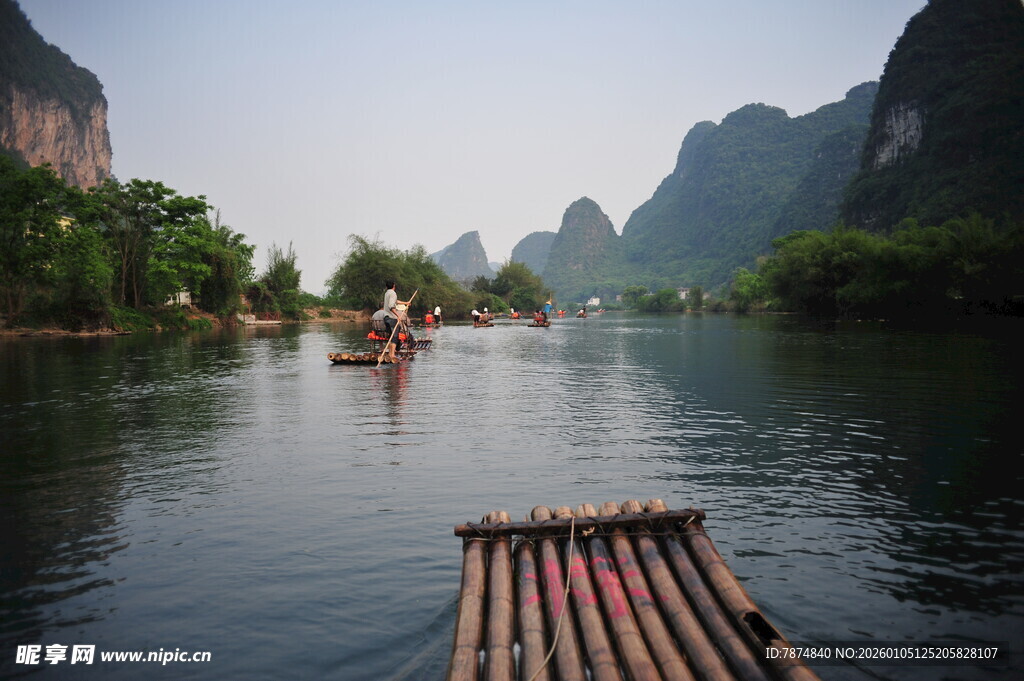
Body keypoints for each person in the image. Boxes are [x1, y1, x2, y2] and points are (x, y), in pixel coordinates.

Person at [383, 281, 411, 361]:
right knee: (395, 336)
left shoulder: (387, 293)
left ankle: (389, 354)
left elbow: (395, 301)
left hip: (386, 317)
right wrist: (398, 315)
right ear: (394, 286)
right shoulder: (393, 293)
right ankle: (392, 355)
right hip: (392, 317)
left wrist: (406, 303)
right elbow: (392, 306)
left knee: (390, 336)